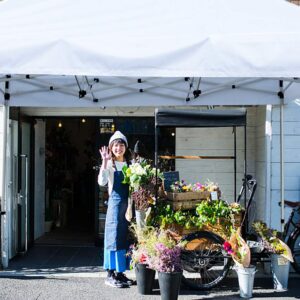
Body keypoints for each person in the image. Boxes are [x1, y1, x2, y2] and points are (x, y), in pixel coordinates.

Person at [98, 131, 134, 288]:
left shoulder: (131, 164)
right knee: (113, 238)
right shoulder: (110, 164)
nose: (118, 148)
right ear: (111, 147)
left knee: (123, 239)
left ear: (126, 147)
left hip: (127, 207)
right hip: (114, 205)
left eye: (121, 145)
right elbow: (102, 181)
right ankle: (110, 274)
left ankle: (120, 273)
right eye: (115, 145)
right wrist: (104, 163)